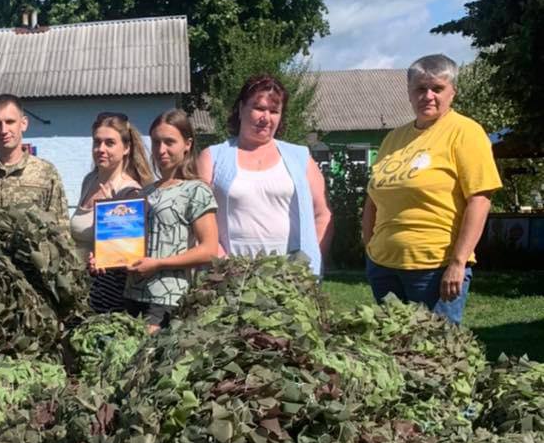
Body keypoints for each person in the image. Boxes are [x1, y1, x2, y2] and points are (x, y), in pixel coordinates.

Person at [362, 53, 501, 324]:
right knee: (393, 351)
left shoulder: (465, 132)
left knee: (434, 357)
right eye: (420, 89)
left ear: (452, 93)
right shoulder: (394, 138)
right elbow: (373, 198)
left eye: (437, 88)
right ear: (409, 93)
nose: (428, 95)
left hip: (434, 268)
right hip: (384, 266)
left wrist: (458, 263)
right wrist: (370, 248)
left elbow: (480, 200)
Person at [197, 74, 331, 275]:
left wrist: (309, 263)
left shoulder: (300, 157)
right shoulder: (212, 157)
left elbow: (322, 214)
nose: (265, 118)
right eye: (259, 108)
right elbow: (198, 217)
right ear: (241, 109)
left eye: (274, 111)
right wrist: (223, 263)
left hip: (290, 274)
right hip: (229, 272)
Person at [123, 110, 219, 331]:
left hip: (167, 299)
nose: (161, 150)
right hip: (132, 295)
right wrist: (106, 259)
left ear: (187, 144)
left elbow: (209, 249)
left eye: (169, 142)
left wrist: (158, 263)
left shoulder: (196, 190)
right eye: (156, 142)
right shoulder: (145, 192)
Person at [70, 112, 155, 312]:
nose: (101, 149)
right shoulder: (89, 181)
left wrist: (109, 221)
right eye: (97, 142)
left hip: (109, 297)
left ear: (126, 148)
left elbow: (128, 256)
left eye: (110, 143)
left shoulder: (130, 193)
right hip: (81, 289)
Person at [0, 94, 68, 222]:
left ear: (23, 123)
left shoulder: (46, 173)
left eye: (10, 122)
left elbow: (61, 228)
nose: (4, 130)